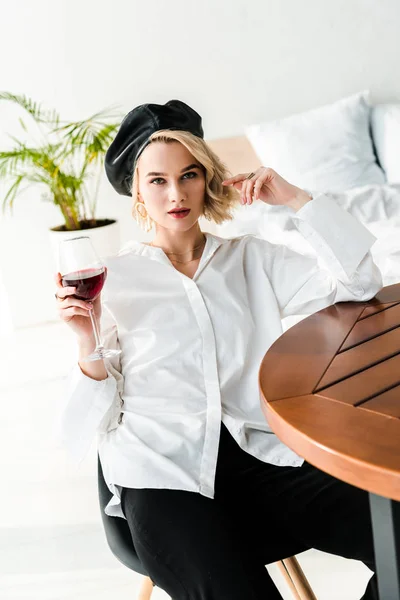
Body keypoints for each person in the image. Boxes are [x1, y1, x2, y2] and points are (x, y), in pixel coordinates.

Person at [55, 99, 383, 599]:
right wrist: (86, 341)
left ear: (207, 179)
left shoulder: (251, 258)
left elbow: (360, 282)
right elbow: (85, 425)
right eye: (157, 181)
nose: (176, 193)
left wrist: (296, 198)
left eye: (189, 175)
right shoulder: (112, 282)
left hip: (265, 459)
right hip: (165, 475)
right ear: (138, 195)